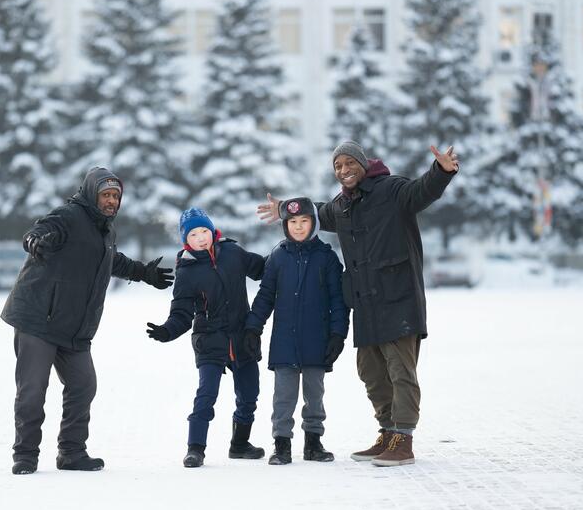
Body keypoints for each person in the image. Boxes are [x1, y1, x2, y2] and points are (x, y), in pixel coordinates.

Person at [257, 141, 459, 466]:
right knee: (372, 372)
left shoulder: (392, 190)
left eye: (349, 163)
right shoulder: (342, 206)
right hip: (365, 306)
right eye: (338, 166)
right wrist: (285, 208)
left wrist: (442, 171)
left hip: (398, 300)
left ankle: (403, 440)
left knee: (399, 370)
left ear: (363, 164)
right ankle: (388, 432)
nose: (344, 170)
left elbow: (422, 191)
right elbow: (315, 212)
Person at [1, 167, 174, 475]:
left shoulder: (105, 230)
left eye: (116, 197)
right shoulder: (68, 216)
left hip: (74, 328)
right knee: (32, 390)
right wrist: (35, 243)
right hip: (39, 318)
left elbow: (111, 261)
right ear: (92, 194)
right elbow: (38, 232)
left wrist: (144, 273)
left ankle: (71, 453)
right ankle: (25, 455)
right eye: (105, 195)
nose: (111, 202)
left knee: (83, 385)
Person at [145, 208, 266, 468]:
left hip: (242, 336)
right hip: (210, 340)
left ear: (212, 231)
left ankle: (240, 444)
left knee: (249, 394)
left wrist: (285, 255)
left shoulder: (233, 253)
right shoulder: (186, 271)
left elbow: (263, 268)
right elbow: (181, 312)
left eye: (204, 231)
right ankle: (195, 449)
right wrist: (167, 330)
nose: (201, 238)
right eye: (193, 234)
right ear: (185, 240)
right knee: (206, 395)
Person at [243, 197, 349, 465]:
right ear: (285, 225)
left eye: (304, 221)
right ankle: (282, 444)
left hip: (317, 340)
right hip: (284, 341)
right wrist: (253, 327)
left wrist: (338, 334)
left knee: (315, 395)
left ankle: (314, 442)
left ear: (314, 223)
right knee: (283, 396)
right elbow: (265, 296)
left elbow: (339, 300)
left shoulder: (327, 258)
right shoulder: (278, 257)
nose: (299, 227)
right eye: (293, 222)